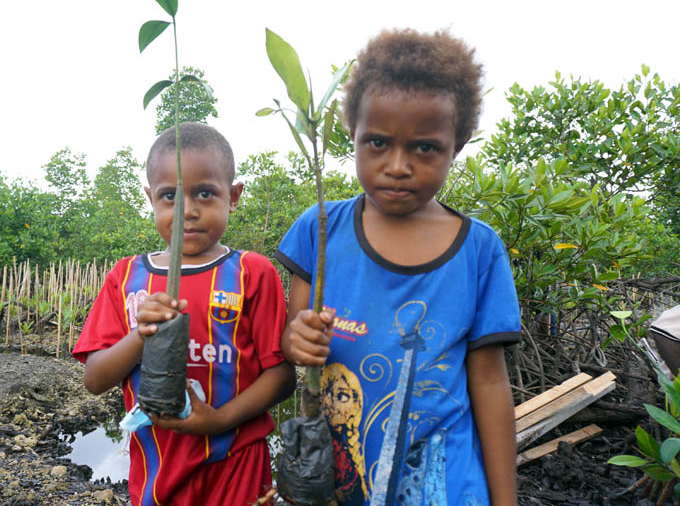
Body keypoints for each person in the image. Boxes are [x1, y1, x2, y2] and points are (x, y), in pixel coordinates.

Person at [277, 29, 521, 505]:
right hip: (341, 480)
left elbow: (490, 383)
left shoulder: (479, 251)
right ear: (352, 135)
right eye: (378, 142)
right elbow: (294, 340)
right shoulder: (320, 230)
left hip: (444, 487)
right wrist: (296, 340)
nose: (398, 165)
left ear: (459, 143)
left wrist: (505, 500)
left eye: (424, 148)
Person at [73, 122, 295, 506]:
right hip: (157, 461)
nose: (188, 211)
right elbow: (94, 379)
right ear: (150, 199)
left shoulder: (252, 273)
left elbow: (282, 375)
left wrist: (221, 420)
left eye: (205, 193)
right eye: (170, 196)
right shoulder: (126, 277)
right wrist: (140, 334)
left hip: (237, 459)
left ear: (234, 196)